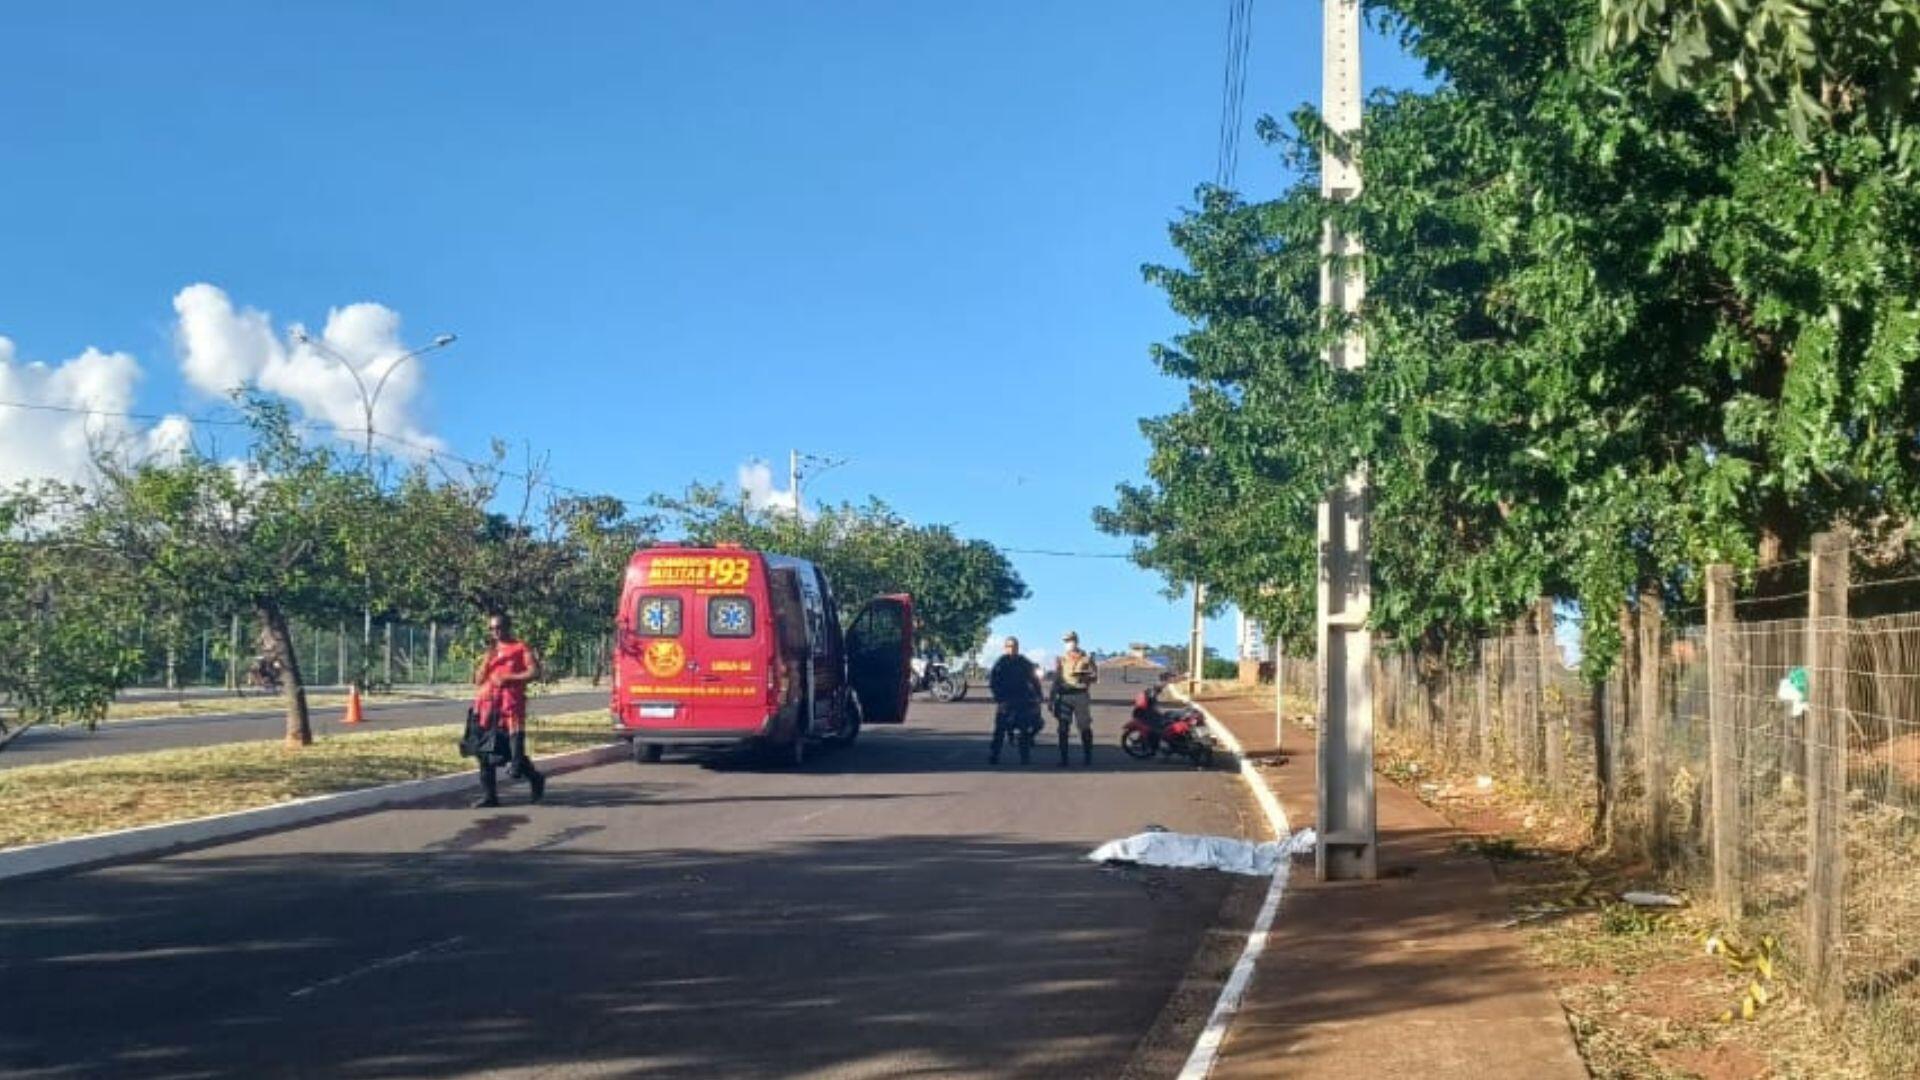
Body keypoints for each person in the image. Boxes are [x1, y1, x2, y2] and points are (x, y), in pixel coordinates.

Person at [472, 612, 545, 808]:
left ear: (507, 627)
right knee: (484, 751)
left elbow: (535, 672)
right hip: (488, 706)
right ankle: (490, 796)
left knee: (513, 755)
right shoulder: (491, 651)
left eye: (498, 628)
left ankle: (536, 779)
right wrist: (486, 661)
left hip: (511, 706)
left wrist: (510, 678)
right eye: (492, 628)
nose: (495, 632)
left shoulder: (520, 647)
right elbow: (478, 680)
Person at [987, 636, 1044, 765]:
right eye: (1008, 646)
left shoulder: (1024, 662)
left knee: (1024, 729)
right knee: (1000, 729)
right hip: (1005, 700)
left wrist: (1038, 696)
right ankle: (994, 754)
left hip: (1022, 700)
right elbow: (993, 682)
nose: (1011, 649)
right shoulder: (1000, 663)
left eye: (1014, 646)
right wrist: (999, 699)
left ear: (1017, 648)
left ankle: (1025, 757)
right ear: (1005, 648)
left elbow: (1034, 680)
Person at [1053, 631, 1099, 766]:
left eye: (1071, 640)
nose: (1069, 643)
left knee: (1084, 726)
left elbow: (1095, 677)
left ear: (1077, 641)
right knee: (1063, 728)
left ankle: (1088, 757)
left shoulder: (1087, 658)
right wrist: (1051, 698)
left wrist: (1086, 677)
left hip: (1080, 695)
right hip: (1064, 696)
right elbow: (1056, 679)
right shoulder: (1061, 659)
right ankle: (1064, 759)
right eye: (1066, 641)